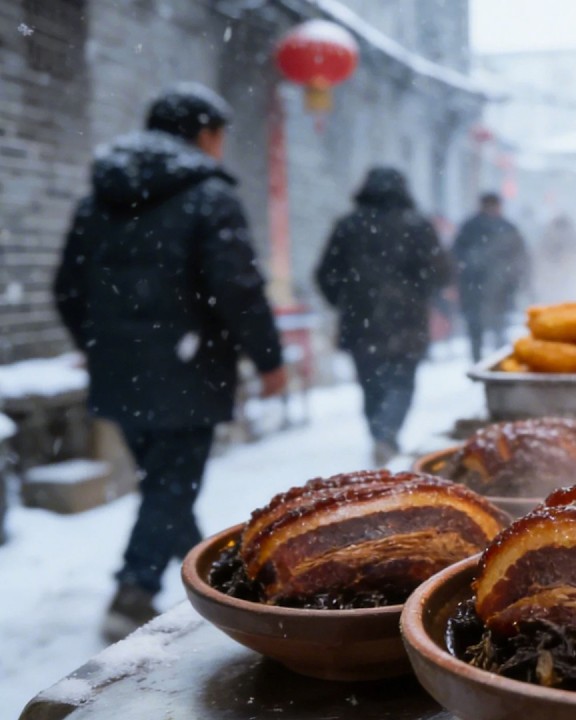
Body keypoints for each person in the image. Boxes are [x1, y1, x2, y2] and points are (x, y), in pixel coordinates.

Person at [53, 82, 285, 642]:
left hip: (120, 372)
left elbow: (66, 288)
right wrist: (269, 359)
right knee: (171, 486)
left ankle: (213, 577)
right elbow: (238, 288)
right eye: (220, 135)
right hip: (188, 370)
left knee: (166, 483)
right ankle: (133, 591)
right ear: (204, 134)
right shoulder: (208, 196)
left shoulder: (98, 199)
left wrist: (99, 346)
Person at [314, 167, 452, 465]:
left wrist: (344, 300)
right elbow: (441, 271)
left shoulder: (348, 225)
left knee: (370, 383)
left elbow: (326, 273)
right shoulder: (417, 226)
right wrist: (420, 292)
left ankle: (380, 433)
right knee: (402, 381)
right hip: (407, 320)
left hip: (360, 320)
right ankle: (387, 433)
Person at [452, 192, 528, 363]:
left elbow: (456, 256)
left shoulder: (470, 227)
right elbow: (520, 258)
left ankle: (482, 362)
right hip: (494, 287)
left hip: (476, 287)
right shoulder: (506, 227)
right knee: (495, 327)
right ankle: (495, 364)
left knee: (480, 328)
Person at [532, 214, 576, 304]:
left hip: (558, 276)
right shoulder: (573, 237)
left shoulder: (547, 238)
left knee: (556, 298)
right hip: (561, 275)